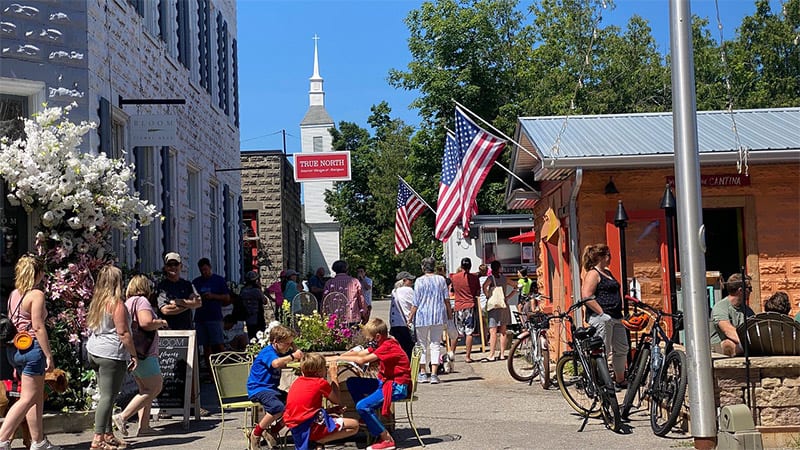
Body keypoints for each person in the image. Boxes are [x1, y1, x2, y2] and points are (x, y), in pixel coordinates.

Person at [0, 255, 61, 450]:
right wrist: (49, 355)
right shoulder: (36, 295)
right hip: (32, 349)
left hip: (14, 349)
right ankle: (2, 438)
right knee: (27, 398)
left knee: (34, 396)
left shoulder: (13, 295)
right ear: (38, 273)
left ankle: (38, 441)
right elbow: (38, 327)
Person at [337, 318, 411, 450]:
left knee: (362, 406)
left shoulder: (388, 346)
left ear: (377, 336)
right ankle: (368, 420)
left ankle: (387, 439)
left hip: (397, 386)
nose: (367, 341)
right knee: (353, 383)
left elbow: (362, 359)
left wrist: (338, 358)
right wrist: (336, 357)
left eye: (369, 338)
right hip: (386, 381)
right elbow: (360, 353)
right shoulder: (382, 343)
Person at [86, 265, 138, 450]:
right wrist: (133, 354)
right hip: (111, 353)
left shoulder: (97, 301)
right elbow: (123, 332)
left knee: (105, 395)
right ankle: (98, 438)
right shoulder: (116, 304)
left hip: (94, 350)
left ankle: (108, 434)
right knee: (109, 396)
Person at [114, 275, 168, 438]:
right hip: (145, 353)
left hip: (133, 352)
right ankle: (122, 417)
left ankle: (144, 426)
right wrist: (161, 322)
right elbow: (145, 322)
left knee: (144, 390)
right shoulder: (142, 300)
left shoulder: (128, 302)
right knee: (155, 387)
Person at [283, 353, 359, 450]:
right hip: (310, 426)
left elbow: (307, 410)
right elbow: (336, 400)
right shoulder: (320, 383)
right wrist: (334, 376)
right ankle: (317, 442)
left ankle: (317, 443)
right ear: (319, 372)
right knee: (354, 425)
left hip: (297, 427)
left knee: (331, 420)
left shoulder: (297, 382)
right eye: (325, 368)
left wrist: (331, 411)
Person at [247, 325, 304, 450]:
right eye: (286, 343)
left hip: (272, 389)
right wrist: (293, 356)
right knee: (277, 408)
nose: (289, 346)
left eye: (290, 343)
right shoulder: (268, 352)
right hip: (259, 388)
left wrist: (293, 347)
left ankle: (273, 431)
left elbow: (300, 354)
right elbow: (276, 363)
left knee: (296, 405)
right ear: (275, 342)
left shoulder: (280, 350)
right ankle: (256, 434)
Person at [580, 244, 629, 387]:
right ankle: (602, 382)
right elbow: (586, 296)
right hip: (602, 318)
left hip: (616, 316)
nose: (610, 258)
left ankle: (620, 379)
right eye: (609, 255)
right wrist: (601, 313)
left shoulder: (607, 272)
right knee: (603, 350)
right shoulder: (593, 273)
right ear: (602, 257)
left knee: (622, 348)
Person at [407, 257, 451, 384]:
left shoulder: (419, 281)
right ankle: (434, 374)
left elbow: (415, 302)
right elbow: (446, 299)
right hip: (437, 315)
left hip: (422, 316)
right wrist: (449, 316)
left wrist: (410, 317)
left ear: (423, 267)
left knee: (421, 345)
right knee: (435, 344)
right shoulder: (441, 280)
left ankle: (422, 372)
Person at [192, 258, 231, 376]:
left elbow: (227, 298)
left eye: (205, 269)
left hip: (214, 316)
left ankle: (226, 371)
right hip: (201, 317)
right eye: (201, 270)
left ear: (210, 267)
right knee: (206, 346)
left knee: (219, 344)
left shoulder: (218, 280)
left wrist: (213, 296)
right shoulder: (196, 282)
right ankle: (211, 373)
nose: (204, 272)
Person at [710, 273, 756, 356]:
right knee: (728, 344)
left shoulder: (748, 311)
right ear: (741, 290)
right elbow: (728, 331)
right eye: (750, 288)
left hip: (740, 345)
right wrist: (749, 344)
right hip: (719, 347)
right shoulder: (721, 307)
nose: (751, 291)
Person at [481, 260, 516, 362]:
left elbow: (484, 287)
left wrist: (488, 295)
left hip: (494, 307)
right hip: (504, 305)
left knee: (493, 331)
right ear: (499, 268)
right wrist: (508, 297)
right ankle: (502, 354)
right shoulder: (505, 279)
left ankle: (491, 354)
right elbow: (516, 285)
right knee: (503, 331)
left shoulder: (490, 278)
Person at [156, 252, 202, 330]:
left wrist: (179, 302)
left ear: (181, 266)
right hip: (168, 331)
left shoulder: (187, 285)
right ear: (166, 267)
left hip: (187, 330)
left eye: (176, 264)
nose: (173, 267)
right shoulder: (162, 287)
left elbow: (198, 302)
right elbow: (165, 310)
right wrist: (188, 305)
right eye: (170, 264)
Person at [449, 258, 480, 364]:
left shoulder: (454, 277)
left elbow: (452, 290)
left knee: (456, 333)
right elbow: (477, 292)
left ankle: (452, 354)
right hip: (470, 305)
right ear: (470, 266)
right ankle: (467, 356)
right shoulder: (474, 278)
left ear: (461, 266)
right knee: (469, 332)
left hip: (458, 305)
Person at [323, 261, 367, 327]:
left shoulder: (329, 283)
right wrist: (364, 314)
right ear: (346, 269)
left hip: (335, 318)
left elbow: (325, 301)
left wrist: (323, 315)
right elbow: (361, 300)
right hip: (352, 317)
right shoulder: (354, 281)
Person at [389, 271, 416, 358]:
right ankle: (410, 367)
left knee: (399, 348)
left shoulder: (394, 291)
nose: (412, 282)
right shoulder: (408, 290)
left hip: (395, 323)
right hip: (405, 323)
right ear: (404, 280)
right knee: (409, 348)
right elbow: (415, 304)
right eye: (410, 280)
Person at [239, 271, 267, 340]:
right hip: (258, 317)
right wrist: (260, 289)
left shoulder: (243, 291)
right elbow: (265, 301)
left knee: (251, 337)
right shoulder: (256, 291)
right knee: (260, 337)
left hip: (248, 317)